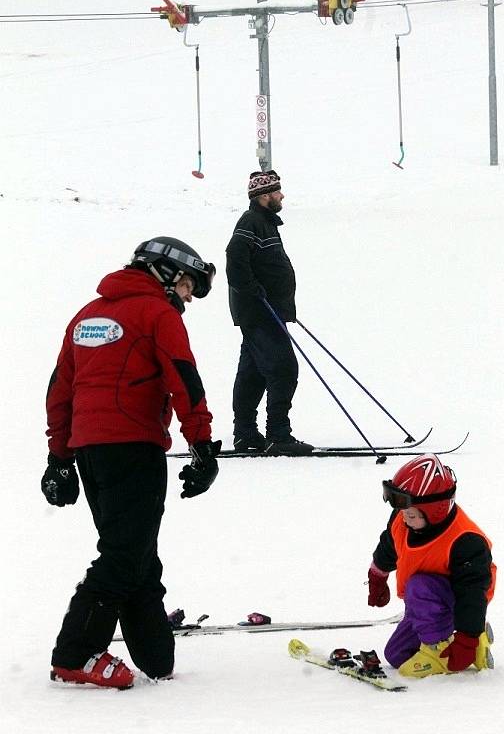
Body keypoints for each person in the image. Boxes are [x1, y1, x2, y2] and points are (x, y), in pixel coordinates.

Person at [42, 236, 221, 689]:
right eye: (186, 287)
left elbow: (60, 389)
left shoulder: (86, 316)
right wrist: (201, 446)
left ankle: (154, 653)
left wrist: (59, 458)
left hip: (90, 451)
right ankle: (75, 654)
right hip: (134, 447)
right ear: (164, 274)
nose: (186, 299)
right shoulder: (156, 314)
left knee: (135, 548)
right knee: (124, 553)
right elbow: (184, 380)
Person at [366, 453, 496, 678]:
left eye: (412, 515)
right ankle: (476, 644)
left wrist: (467, 638)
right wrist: (378, 576)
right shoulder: (403, 521)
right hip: (425, 605)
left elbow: (472, 593)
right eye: (403, 512)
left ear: (435, 510)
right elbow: (390, 545)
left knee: (420, 585)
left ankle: (442, 648)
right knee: (396, 655)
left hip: (459, 601)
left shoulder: (466, 542)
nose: (405, 519)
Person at [225, 169, 313, 456]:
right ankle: (278, 434)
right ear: (264, 196)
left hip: (268, 312)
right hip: (260, 314)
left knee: (253, 374)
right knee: (284, 369)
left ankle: (246, 434)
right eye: (277, 192)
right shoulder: (251, 222)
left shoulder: (264, 223)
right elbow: (234, 259)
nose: (281, 195)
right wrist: (253, 291)